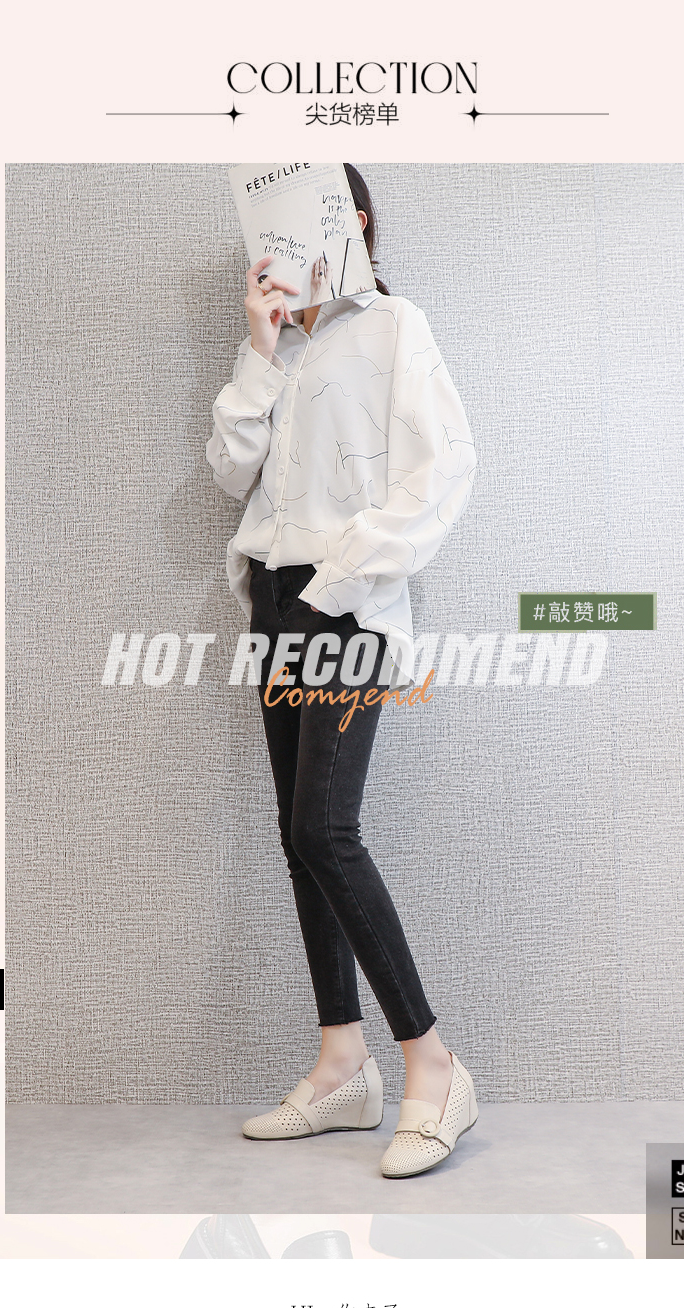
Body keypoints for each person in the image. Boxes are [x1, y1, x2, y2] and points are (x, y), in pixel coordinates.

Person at [207, 166, 477, 1179]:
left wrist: (340, 582)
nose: (274, 241)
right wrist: (259, 346)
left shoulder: (395, 327)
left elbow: (444, 468)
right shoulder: (276, 343)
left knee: (326, 827)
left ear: (351, 220)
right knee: (297, 836)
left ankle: (433, 1065)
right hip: (271, 601)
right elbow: (230, 471)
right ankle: (341, 1063)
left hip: (346, 601)